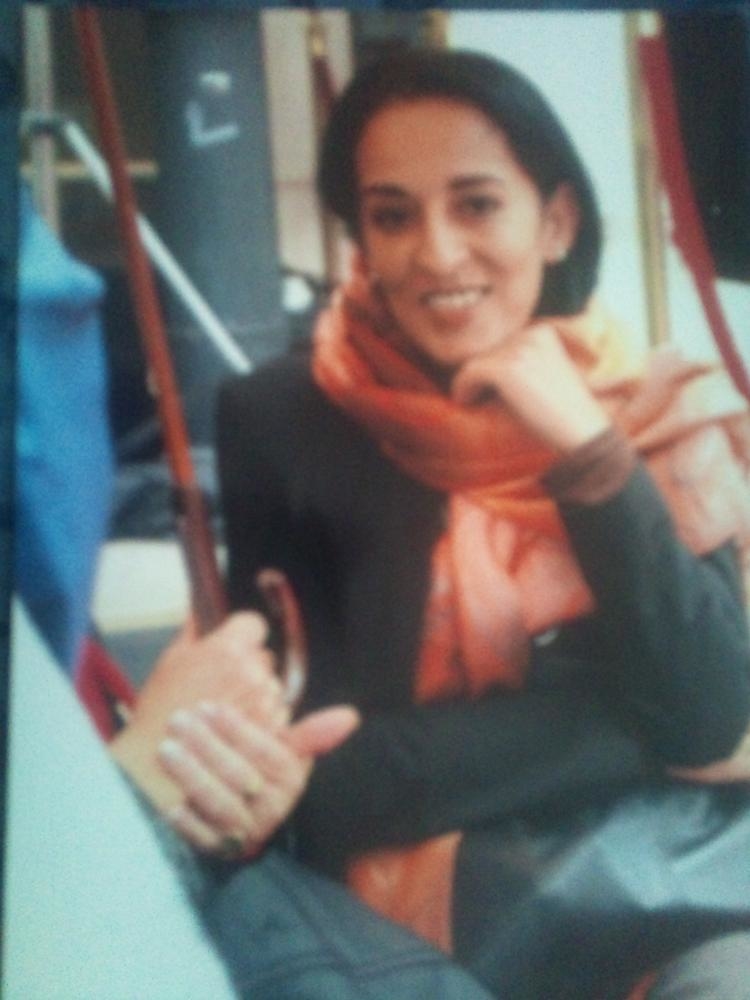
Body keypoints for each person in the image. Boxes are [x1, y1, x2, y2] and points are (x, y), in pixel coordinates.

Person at [150, 49, 750, 999]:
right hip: (417, 915)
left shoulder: (646, 407)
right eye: (394, 216)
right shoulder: (285, 422)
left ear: (556, 221)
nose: (435, 253)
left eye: (476, 205)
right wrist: (631, 727)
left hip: (688, 887)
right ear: (361, 238)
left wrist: (589, 454)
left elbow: (714, 709)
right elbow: (321, 776)